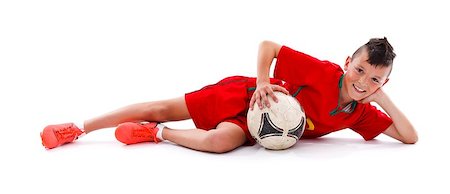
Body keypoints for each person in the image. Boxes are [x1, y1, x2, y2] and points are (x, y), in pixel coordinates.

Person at [40, 37, 418, 153]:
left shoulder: (358, 113)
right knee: (161, 106)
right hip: (248, 96)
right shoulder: (322, 72)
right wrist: (263, 80)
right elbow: (269, 45)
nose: (364, 81)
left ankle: (154, 134)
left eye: (375, 80)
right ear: (348, 61)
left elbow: (408, 136)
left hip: (258, 128)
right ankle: (78, 127)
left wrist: (382, 99)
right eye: (361, 70)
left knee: (221, 143)